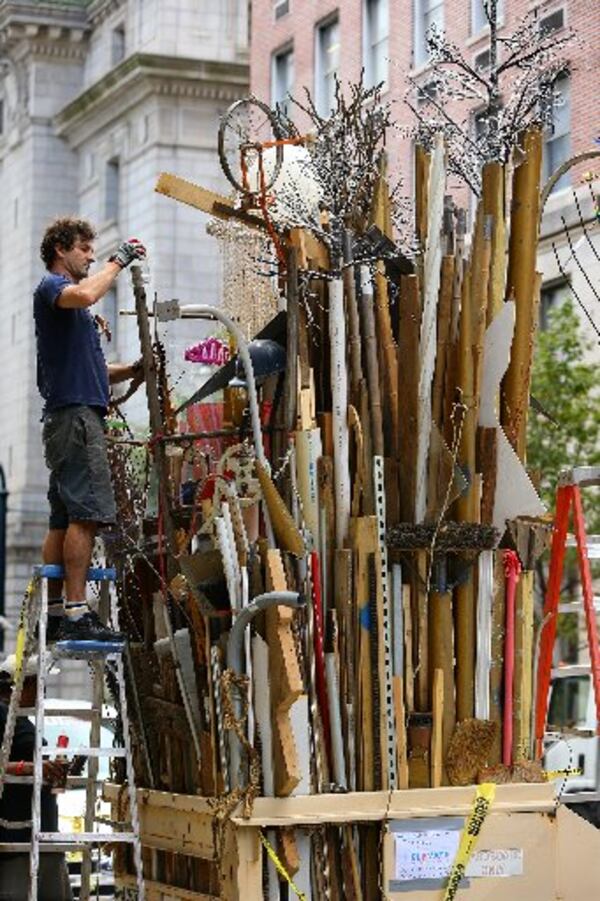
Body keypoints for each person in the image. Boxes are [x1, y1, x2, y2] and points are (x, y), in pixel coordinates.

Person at [34, 218, 146, 643]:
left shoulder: (77, 316)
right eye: (84, 248)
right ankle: (78, 613)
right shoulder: (53, 289)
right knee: (86, 514)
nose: (91, 256)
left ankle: (59, 613)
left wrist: (135, 370)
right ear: (61, 250)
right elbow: (85, 292)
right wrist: (120, 261)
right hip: (77, 418)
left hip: (69, 417)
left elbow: (98, 370)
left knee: (63, 518)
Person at [0, 655, 72, 901]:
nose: (42, 692)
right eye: (39, 685)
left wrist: (47, 770)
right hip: (17, 843)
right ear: (25, 685)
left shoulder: (20, 718)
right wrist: (30, 767)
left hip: (40, 838)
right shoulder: (4, 716)